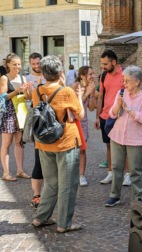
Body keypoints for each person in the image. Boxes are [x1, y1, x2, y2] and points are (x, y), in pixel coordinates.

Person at [31, 55, 85, 233]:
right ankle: (64, 223)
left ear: (43, 73)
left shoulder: (37, 91)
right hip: (65, 142)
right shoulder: (66, 91)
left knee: (51, 183)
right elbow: (79, 115)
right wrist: (80, 95)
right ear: (60, 72)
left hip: (44, 143)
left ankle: (41, 217)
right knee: (67, 184)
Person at [105, 65, 142, 207]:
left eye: (127, 81)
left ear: (137, 82)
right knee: (116, 167)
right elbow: (112, 114)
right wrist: (118, 106)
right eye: (123, 80)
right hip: (117, 136)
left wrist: (128, 109)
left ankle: (137, 198)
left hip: (136, 139)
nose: (124, 84)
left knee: (135, 170)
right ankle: (114, 195)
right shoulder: (121, 93)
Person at [95, 50, 130, 186]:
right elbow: (101, 96)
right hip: (105, 115)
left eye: (105, 64)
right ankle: (110, 173)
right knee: (109, 146)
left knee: (124, 145)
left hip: (121, 116)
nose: (102, 66)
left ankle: (128, 174)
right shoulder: (103, 75)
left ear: (114, 62)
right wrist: (98, 116)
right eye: (102, 63)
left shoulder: (125, 74)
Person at [0, 53, 32, 181]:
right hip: (8, 112)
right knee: (6, 143)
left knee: (19, 142)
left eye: (19, 64)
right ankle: (6, 173)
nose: (17, 67)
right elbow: (3, 96)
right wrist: (17, 91)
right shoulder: (4, 78)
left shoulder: (23, 78)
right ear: (8, 64)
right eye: (14, 64)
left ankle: (20, 170)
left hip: (20, 112)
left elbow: (27, 97)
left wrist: (27, 91)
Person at [26, 52, 47, 208]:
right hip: (37, 119)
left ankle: (51, 193)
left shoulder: (49, 76)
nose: (36, 66)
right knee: (38, 157)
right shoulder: (27, 78)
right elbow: (28, 98)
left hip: (50, 118)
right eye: (33, 64)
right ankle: (36, 195)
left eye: (38, 63)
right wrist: (27, 91)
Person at [71, 66, 96, 186]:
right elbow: (76, 106)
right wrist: (86, 92)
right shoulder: (76, 86)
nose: (93, 76)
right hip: (74, 121)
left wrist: (92, 93)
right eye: (90, 74)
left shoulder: (90, 88)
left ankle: (82, 175)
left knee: (82, 150)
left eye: (93, 74)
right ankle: (71, 174)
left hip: (84, 122)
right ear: (82, 76)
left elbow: (91, 108)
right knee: (71, 150)